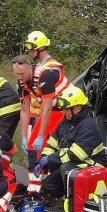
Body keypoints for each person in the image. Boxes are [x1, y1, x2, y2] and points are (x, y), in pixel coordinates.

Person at [33, 85, 105, 201]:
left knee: (65, 168)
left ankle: (73, 202)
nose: (64, 112)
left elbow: (75, 154)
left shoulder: (88, 126)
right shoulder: (66, 122)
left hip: (93, 165)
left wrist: (49, 159)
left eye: (66, 109)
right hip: (75, 163)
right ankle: (57, 197)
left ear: (77, 108)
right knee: (47, 187)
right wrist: (42, 159)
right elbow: (52, 144)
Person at [20, 31, 71, 194]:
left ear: (39, 48)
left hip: (62, 112)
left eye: (31, 48)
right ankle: (34, 188)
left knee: (54, 148)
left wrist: (42, 134)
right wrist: (24, 135)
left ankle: (50, 188)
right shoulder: (34, 70)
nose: (29, 52)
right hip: (49, 111)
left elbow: (48, 105)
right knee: (33, 149)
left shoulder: (49, 70)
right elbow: (27, 106)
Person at [13, 54, 42, 187]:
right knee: (32, 154)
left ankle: (47, 187)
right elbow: (24, 109)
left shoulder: (42, 76)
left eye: (22, 73)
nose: (20, 77)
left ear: (30, 67)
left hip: (50, 117)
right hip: (33, 118)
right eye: (17, 74)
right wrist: (24, 136)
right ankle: (34, 188)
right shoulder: (21, 82)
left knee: (45, 154)